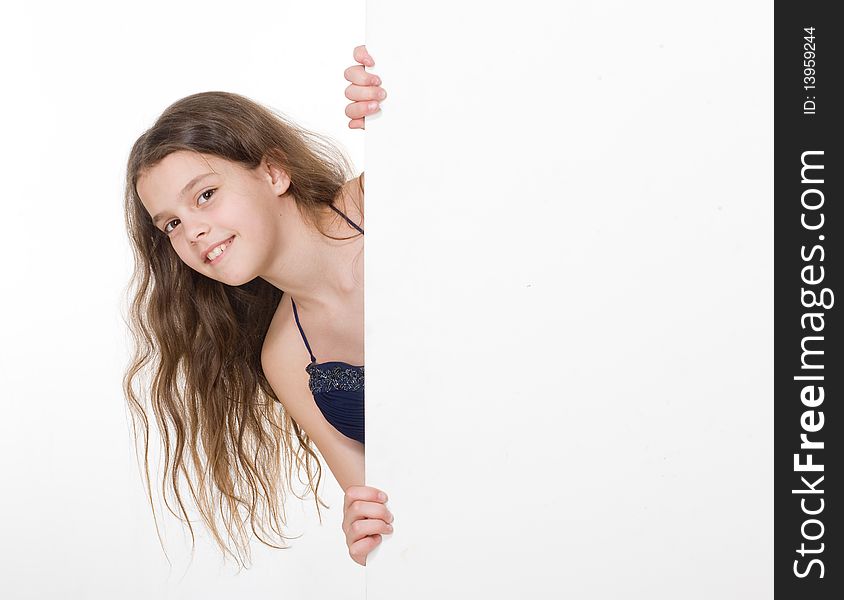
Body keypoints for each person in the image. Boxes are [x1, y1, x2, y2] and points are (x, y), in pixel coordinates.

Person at [123, 45, 391, 568]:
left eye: (204, 195)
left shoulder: (383, 200)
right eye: (171, 224)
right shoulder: (286, 357)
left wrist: (403, 104)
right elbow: (372, 495)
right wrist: (367, 531)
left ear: (273, 174)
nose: (192, 230)